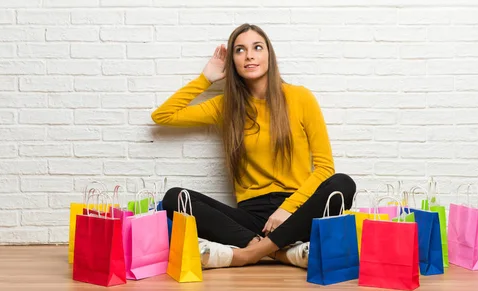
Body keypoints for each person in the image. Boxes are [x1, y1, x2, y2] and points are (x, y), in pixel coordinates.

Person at [151, 23, 356, 269]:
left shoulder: (300, 97)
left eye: (257, 47)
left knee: (343, 184)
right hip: (251, 218)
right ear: (233, 62)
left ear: (269, 54)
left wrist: (287, 209)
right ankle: (280, 252)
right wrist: (206, 79)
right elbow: (163, 116)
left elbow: (324, 168)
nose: (249, 55)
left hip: (297, 212)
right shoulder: (226, 106)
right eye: (239, 50)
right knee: (175, 198)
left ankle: (249, 254)